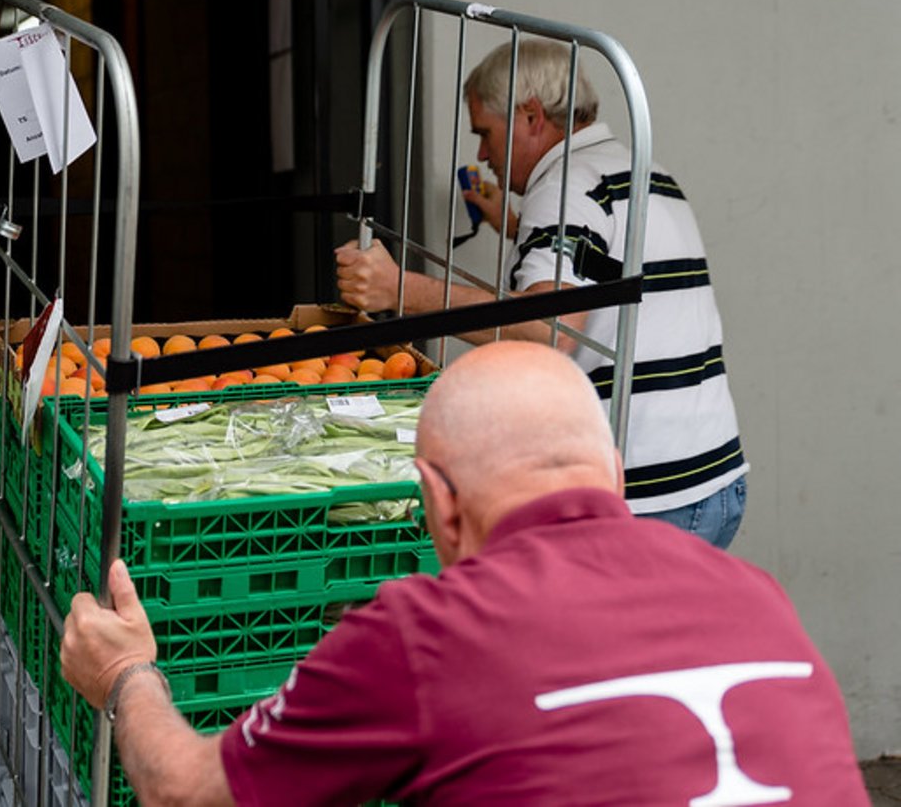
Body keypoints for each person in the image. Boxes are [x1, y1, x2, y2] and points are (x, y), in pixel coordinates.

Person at [60, 341, 867, 806]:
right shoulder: (756, 594)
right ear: (614, 475)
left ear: (437, 503)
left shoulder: (424, 634)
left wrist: (127, 673)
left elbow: (187, 792)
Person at [334, 39, 747, 548]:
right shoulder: (640, 171)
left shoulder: (566, 186)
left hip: (646, 497)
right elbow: (600, 268)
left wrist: (401, 290)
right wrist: (513, 225)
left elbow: (549, 331)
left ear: (531, 115)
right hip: (714, 475)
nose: (482, 154)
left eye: (485, 132)